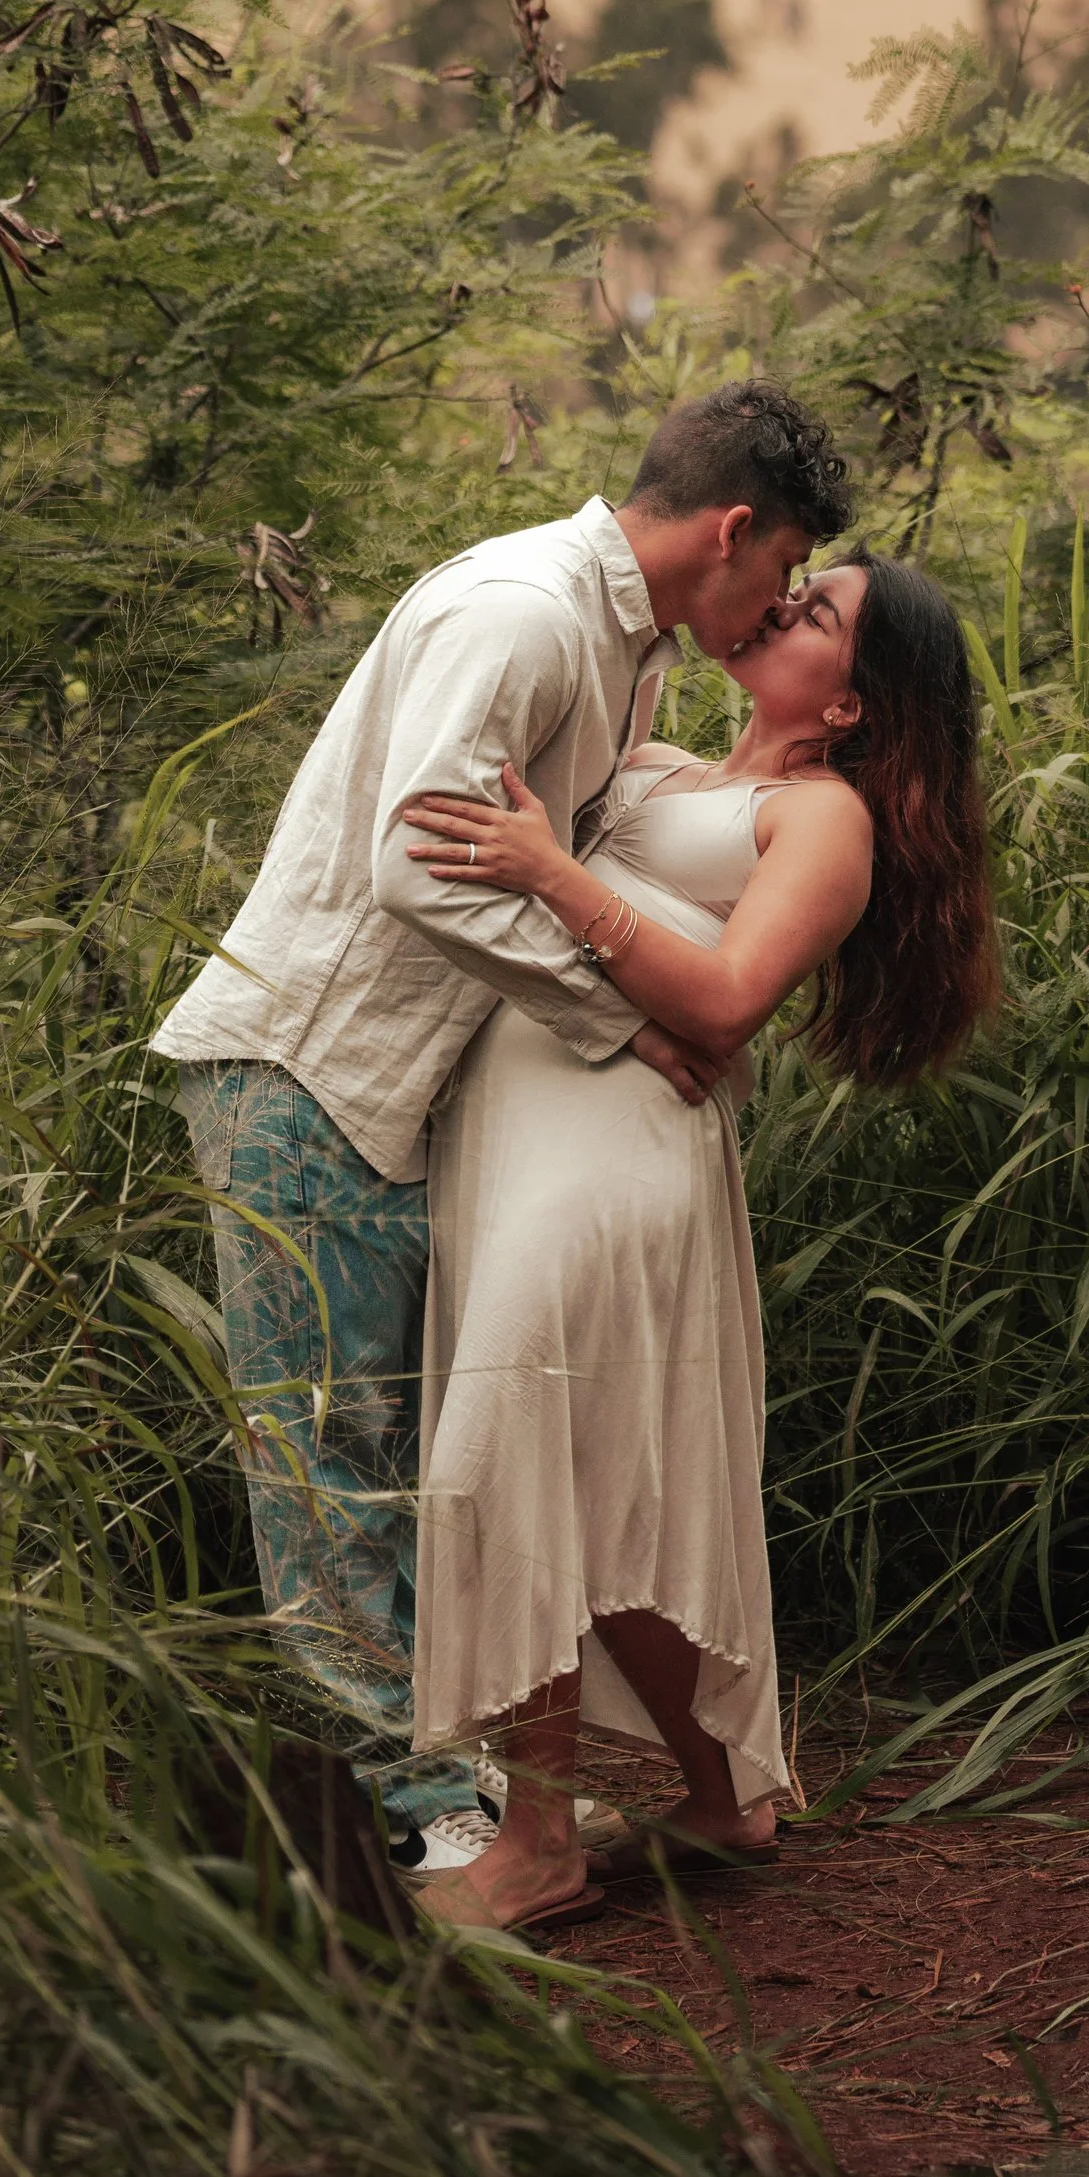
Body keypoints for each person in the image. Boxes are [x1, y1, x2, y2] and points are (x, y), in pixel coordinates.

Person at [152, 384, 854, 1862]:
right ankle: (428, 1824)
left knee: (398, 1460)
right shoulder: (526, 612)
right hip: (305, 1072)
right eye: (783, 569)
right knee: (328, 1469)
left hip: (410, 1095)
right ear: (732, 530)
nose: (779, 601)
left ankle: (458, 1790)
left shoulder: (631, 660)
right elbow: (421, 870)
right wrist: (628, 1021)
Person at [396, 551, 998, 1927]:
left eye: (820, 612)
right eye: (797, 587)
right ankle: (727, 1796)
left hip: (617, 1160)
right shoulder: (659, 768)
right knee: (578, 1471)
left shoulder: (820, 818)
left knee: (504, 1451)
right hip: (517, 1145)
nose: (785, 606)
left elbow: (725, 1001)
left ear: (850, 704)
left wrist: (554, 871)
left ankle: (536, 1845)